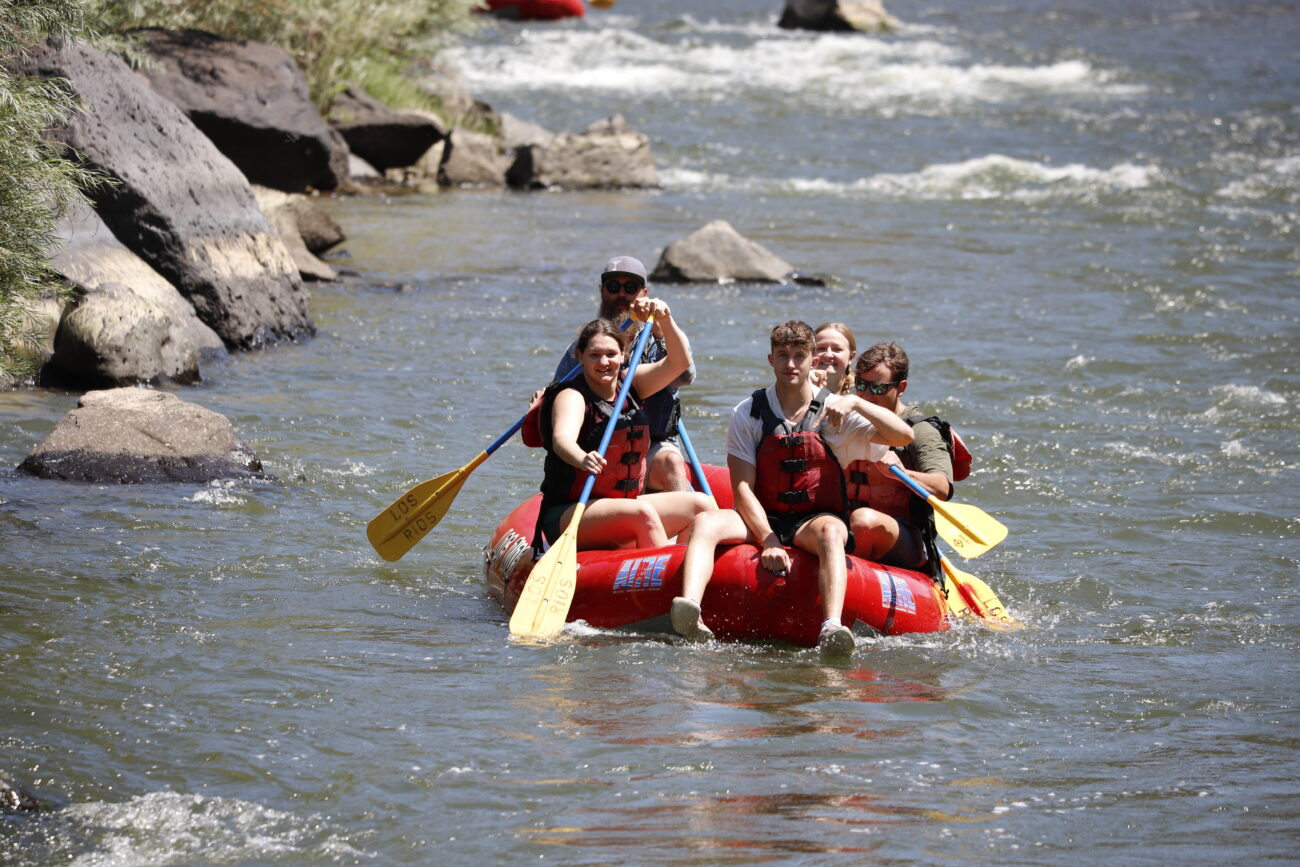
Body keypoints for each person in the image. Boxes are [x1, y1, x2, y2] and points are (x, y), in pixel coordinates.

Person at [669, 321, 913, 654]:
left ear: (814, 361)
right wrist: (768, 539)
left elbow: (904, 436)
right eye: (783, 355)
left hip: (812, 522)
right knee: (706, 522)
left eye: (799, 356)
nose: (791, 364)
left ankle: (831, 627)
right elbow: (741, 488)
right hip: (763, 516)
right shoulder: (748, 412)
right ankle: (690, 609)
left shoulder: (834, 413)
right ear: (770, 359)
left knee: (832, 533)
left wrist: (856, 403)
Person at [537, 300, 715, 552]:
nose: (604, 362)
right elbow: (562, 439)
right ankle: (665, 570)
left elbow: (680, 363)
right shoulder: (573, 395)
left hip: (625, 505)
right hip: (573, 511)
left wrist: (664, 320)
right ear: (580, 357)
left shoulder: (632, 383)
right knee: (643, 511)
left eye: (611, 354)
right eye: (594, 355)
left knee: (701, 505)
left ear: (623, 355)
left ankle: (688, 565)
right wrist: (581, 457)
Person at [550, 257, 696, 494]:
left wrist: (663, 326)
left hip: (653, 444)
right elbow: (558, 395)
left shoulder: (659, 336)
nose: (621, 295)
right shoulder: (583, 345)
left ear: (643, 294)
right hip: (598, 445)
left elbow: (685, 374)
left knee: (671, 462)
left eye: (630, 288)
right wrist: (545, 395)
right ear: (602, 292)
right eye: (613, 287)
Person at [842, 342, 954, 572]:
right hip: (843, 527)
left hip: (904, 539)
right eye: (861, 385)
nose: (866, 395)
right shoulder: (845, 420)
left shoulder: (921, 430)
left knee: (864, 521)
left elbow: (942, 488)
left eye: (878, 388)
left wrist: (903, 474)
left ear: (901, 387)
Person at [811, 321, 857, 396]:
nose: (828, 355)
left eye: (837, 349)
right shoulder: (794, 386)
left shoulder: (861, 393)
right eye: (821, 348)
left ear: (851, 357)